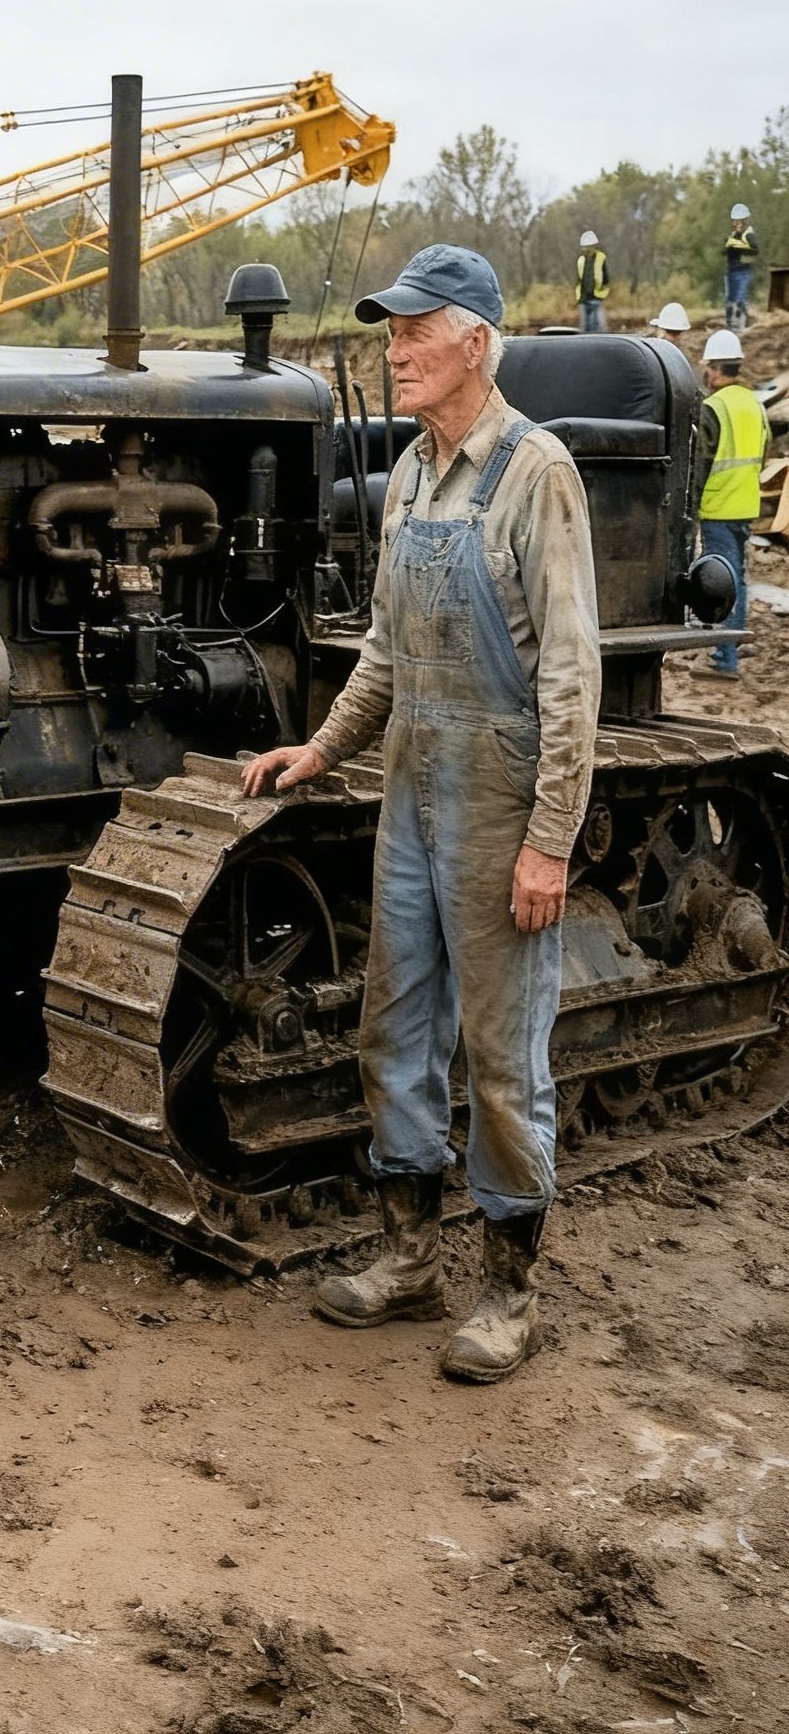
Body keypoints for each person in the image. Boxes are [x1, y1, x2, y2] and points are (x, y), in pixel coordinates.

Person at [241, 244, 599, 1385]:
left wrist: (549, 838)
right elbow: (390, 648)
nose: (390, 350)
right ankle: (407, 1260)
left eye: (412, 330)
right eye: (387, 332)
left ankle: (507, 1288)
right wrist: (322, 744)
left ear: (473, 343)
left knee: (500, 1054)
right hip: (411, 786)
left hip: (498, 794)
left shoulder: (534, 472)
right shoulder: (404, 475)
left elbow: (570, 679)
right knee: (393, 1031)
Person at [696, 327, 766, 680]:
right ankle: (731, 646)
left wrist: (690, 506)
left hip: (719, 508)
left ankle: (725, 659)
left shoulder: (714, 407)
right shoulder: (755, 403)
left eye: (707, 368)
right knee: (738, 576)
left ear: (715, 369)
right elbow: (763, 454)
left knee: (722, 582)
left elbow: (702, 463)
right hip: (746, 506)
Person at [725, 204, 759, 332]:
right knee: (730, 301)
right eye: (734, 221)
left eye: (739, 221)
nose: (736, 223)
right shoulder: (734, 235)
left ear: (745, 221)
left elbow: (755, 251)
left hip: (743, 271)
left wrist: (737, 246)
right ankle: (730, 326)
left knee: (740, 300)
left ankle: (742, 326)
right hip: (732, 271)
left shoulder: (749, 235)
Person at [574, 229, 609, 332]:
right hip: (584, 298)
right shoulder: (581, 260)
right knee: (585, 328)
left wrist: (603, 289)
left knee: (598, 327)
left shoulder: (600, 257)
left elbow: (605, 277)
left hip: (596, 297)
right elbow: (579, 279)